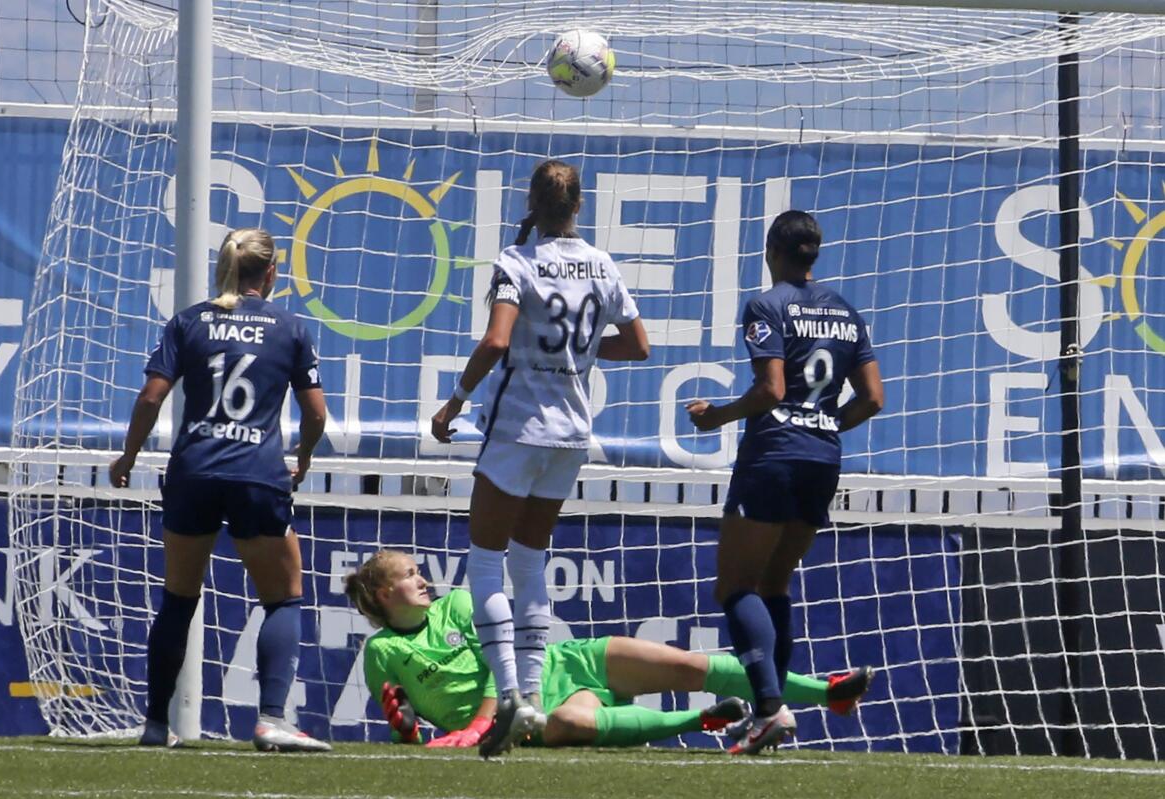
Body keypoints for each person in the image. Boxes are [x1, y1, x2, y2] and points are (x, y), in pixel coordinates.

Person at [431, 159, 650, 757]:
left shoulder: (516, 260)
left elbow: (497, 339)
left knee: (484, 562)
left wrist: (454, 401)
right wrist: (581, 348)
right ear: (579, 206)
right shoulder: (602, 264)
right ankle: (529, 698)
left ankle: (509, 694)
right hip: (572, 433)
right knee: (530, 562)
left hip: (518, 426)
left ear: (532, 203)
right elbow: (637, 344)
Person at [110, 228, 330, 752]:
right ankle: (272, 718)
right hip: (257, 472)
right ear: (271, 273)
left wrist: (130, 454)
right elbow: (316, 412)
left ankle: (156, 725)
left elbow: (150, 397)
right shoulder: (290, 327)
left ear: (223, 267)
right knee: (282, 599)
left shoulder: (188, 321)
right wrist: (302, 456)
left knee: (179, 598)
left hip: (194, 472)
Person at [686, 210, 884, 755]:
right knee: (773, 586)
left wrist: (716, 416)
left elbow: (771, 390)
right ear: (813, 254)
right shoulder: (847, 311)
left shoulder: (767, 304)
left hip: (773, 454)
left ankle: (771, 710)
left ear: (772, 249)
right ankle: (767, 709)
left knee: (734, 588)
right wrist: (823, 423)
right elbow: (873, 399)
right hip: (823, 458)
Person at [345, 550, 872, 749]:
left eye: (418, 571)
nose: (422, 580)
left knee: (688, 664)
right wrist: (407, 728)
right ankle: (700, 722)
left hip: (560, 665)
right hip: (534, 715)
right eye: (409, 575)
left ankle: (827, 694)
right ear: (383, 594)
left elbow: (498, 674)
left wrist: (485, 723)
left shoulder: (460, 603)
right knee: (572, 726)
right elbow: (404, 727)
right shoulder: (382, 653)